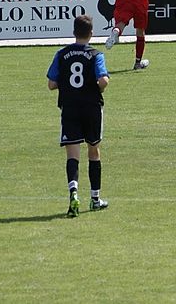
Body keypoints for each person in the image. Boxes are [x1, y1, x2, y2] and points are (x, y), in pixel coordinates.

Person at [47, 15, 110, 217]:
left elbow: (51, 84)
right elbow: (104, 81)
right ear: (91, 34)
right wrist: (97, 87)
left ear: (74, 32)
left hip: (70, 108)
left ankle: (73, 193)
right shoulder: (95, 55)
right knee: (94, 151)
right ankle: (95, 199)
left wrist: (66, 84)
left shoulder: (62, 54)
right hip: (91, 107)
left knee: (72, 154)